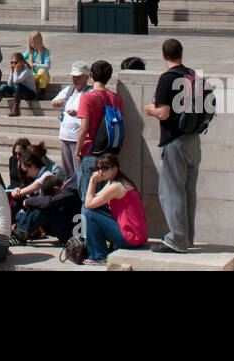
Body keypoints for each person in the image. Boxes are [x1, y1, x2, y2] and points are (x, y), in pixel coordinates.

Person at [146, 38, 200, 252]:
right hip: (193, 140)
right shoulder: (192, 75)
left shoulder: (167, 78)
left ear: (163, 55)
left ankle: (176, 239)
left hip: (174, 140)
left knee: (171, 191)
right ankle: (188, 238)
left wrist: (151, 110)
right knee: (188, 192)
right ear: (181, 54)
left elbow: (164, 113)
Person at [80, 152, 147, 262]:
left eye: (105, 168)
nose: (101, 172)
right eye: (99, 168)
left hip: (131, 238)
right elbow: (92, 200)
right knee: (88, 210)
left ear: (115, 168)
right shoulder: (117, 182)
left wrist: (92, 182)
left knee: (88, 212)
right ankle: (96, 249)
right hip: (136, 236)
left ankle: (99, 254)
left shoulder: (117, 186)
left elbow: (89, 204)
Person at [74, 59, 121, 201]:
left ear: (91, 75)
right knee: (105, 200)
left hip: (90, 152)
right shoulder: (116, 98)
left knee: (88, 199)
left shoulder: (87, 98)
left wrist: (77, 151)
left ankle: (89, 224)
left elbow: (83, 129)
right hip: (109, 154)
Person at [52, 61, 92, 179]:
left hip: (77, 138)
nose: (75, 80)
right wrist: (57, 103)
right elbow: (54, 103)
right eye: (74, 77)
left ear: (86, 77)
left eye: (78, 78)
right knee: (68, 172)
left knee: (78, 172)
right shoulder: (69, 90)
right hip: (64, 136)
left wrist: (77, 113)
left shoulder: (89, 93)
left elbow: (89, 114)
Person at [0, 52, 38, 117]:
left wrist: (15, 71)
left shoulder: (26, 71)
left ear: (22, 62)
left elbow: (16, 81)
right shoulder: (15, 70)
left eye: (16, 63)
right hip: (19, 92)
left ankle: (16, 110)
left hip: (30, 94)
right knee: (3, 86)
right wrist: (12, 72)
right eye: (12, 62)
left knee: (17, 86)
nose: (13, 64)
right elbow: (9, 84)